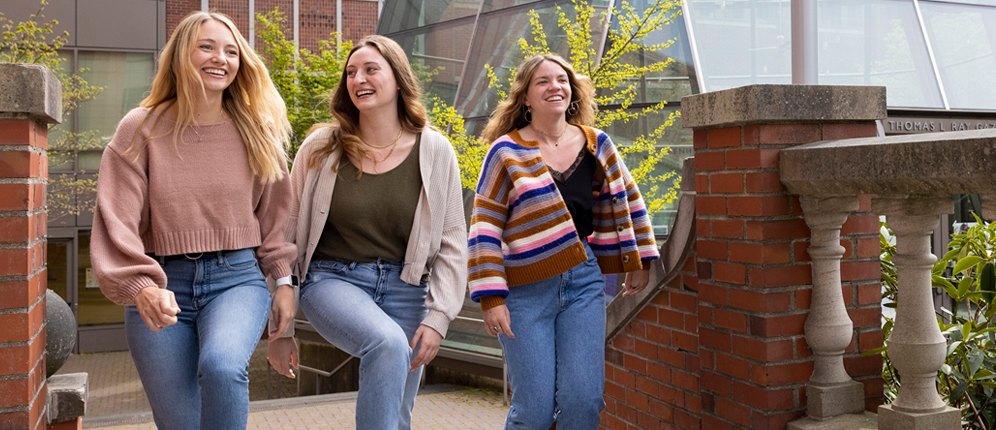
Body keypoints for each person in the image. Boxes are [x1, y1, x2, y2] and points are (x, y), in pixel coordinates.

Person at [90, 11, 294, 430]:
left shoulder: (258, 130)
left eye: (231, 51)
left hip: (236, 278)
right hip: (162, 283)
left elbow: (276, 219)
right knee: (178, 423)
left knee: (222, 366)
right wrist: (141, 287)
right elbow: (117, 222)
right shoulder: (139, 129)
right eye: (207, 46)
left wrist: (284, 281)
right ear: (182, 54)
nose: (220, 58)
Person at [264, 35, 467, 430]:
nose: (359, 79)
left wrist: (439, 316)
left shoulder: (435, 150)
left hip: (407, 289)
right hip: (331, 280)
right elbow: (283, 230)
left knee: (397, 416)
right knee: (388, 342)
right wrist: (280, 328)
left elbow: (453, 241)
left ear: (398, 79)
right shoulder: (320, 148)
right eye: (351, 72)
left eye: (371, 69)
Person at [468, 53, 659, 430]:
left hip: (583, 283)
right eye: (542, 81)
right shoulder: (506, 151)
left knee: (583, 402)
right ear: (525, 97)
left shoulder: (596, 144)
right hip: (523, 293)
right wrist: (491, 297)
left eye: (561, 80)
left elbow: (626, 198)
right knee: (534, 412)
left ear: (571, 91)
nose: (554, 86)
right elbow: (485, 226)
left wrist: (637, 260)